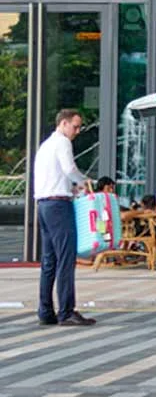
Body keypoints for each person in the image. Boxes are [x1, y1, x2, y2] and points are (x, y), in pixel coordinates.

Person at [33, 108, 95, 326]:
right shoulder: (62, 143)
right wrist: (84, 182)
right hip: (59, 205)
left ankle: (45, 310)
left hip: (43, 204)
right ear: (64, 123)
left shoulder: (46, 145)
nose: (77, 131)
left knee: (49, 260)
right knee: (66, 258)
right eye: (75, 126)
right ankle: (67, 311)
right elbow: (69, 169)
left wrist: (72, 187)